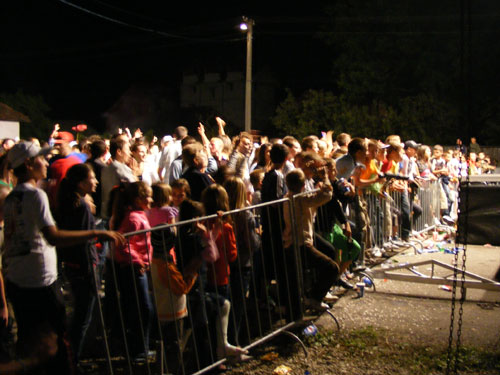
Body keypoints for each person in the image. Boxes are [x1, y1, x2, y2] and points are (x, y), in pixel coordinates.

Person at [3, 141, 124, 373]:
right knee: (57, 342)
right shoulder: (35, 196)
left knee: (30, 341)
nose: (46, 162)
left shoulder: (11, 197)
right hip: (40, 280)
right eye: (41, 159)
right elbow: (53, 236)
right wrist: (98, 232)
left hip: (18, 280)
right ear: (29, 165)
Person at [55, 163, 102, 366]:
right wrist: (90, 272)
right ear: (82, 183)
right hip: (84, 267)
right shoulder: (81, 206)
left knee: (80, 315)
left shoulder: (71, 201)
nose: (96, 181)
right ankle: (72, 360)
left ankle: (71, 357)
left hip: (74, 266)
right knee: (82, 318)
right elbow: (83, 241)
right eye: (92, 178)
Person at [111, 181, 154, 363]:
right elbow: (123, 244)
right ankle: (138, 350)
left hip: (138, 266)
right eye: (148, 196)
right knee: (141, 308)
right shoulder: (133, 219)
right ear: (138, 199)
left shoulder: (138, 215)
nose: (151, 200)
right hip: (133, 269)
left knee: (142, 308)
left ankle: (141, 347)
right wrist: (139, 262)